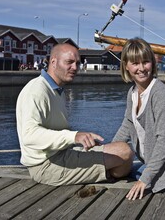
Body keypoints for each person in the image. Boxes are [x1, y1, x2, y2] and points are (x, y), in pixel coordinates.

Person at [16, 43, 133, 186]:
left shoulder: (57, 90)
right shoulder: (37, 91)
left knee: (122, 150)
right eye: (69, 62)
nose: (75, 68)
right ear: (53, 62)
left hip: (62, 153)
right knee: (124, 153)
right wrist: (74, 136)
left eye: (77, 63)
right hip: (46, 166)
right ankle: (107, 173)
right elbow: (29, 136)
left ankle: (104, 171)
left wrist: (79, 140)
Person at [112, 38, 165, 200]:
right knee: (116, 172)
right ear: (126, 66)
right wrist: (109, 153)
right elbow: (127, 125)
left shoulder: (159, 93)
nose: (141, 68)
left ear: (152, 63)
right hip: (159, 163)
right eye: (135, 63)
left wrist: (145, 179)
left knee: (132, 183)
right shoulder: (132, 93)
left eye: (145, 62)